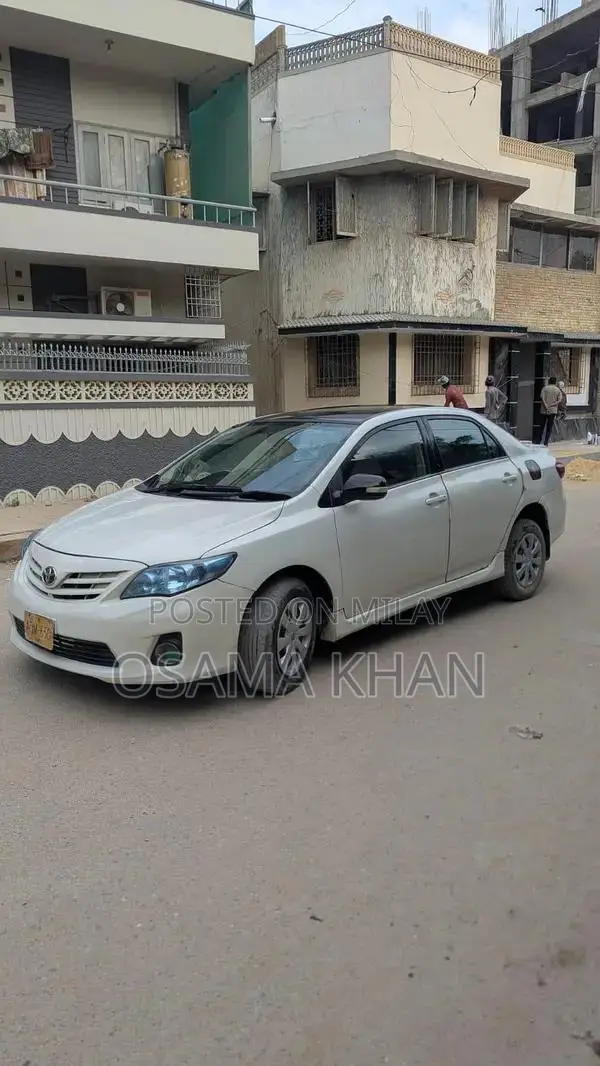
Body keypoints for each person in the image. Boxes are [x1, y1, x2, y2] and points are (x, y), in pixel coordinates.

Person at [539, 375, 562, 445]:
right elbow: (559, 400)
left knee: (541, 426)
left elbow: (542, 398)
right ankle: (546, 443)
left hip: (543, 410)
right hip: (552, 411)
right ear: (555, 382)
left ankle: (539, 441)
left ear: (549, 381)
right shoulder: (558, 390)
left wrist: (545, 405)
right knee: (549, 427)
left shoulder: (545, 388)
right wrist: (552, 404)